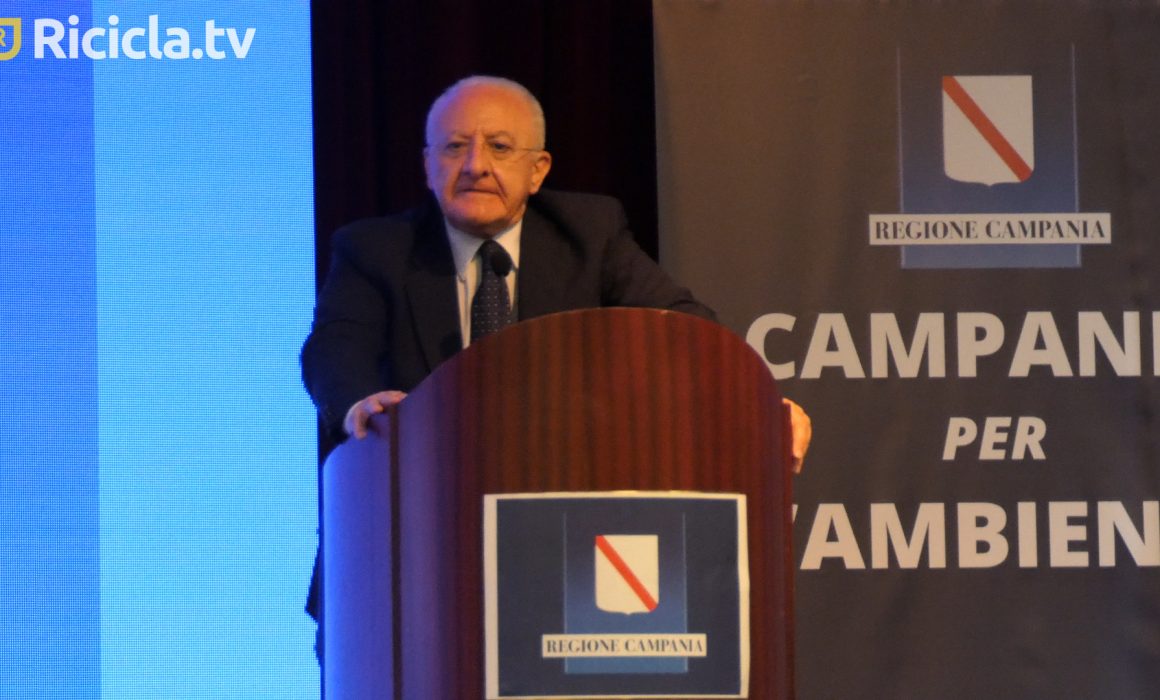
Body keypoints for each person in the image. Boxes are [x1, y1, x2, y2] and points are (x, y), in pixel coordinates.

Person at [300, 75, 811, 632]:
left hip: (564, 547)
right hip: (408, 544)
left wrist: (754, 404)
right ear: (427, 164)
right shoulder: (375, 249)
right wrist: (359, 402)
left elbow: (684, 330)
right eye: (454, 147)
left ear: (538, 170)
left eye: (499, 147)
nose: (474, 166)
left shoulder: (589, 235)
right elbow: (335, 347)